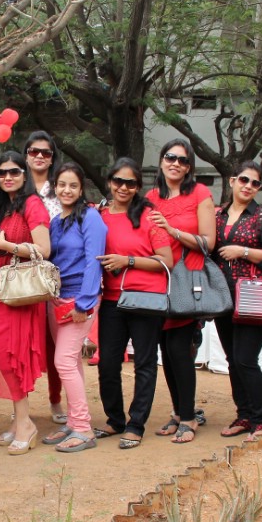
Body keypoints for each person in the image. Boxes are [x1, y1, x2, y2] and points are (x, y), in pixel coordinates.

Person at [95, 158, 174, 449]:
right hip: (112, 300)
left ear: (138, 186)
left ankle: (136, 423)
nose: (123, 187)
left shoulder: (149, 216)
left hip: (146, 299)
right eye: (118, 181)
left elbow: (167, 261)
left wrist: (128, 261)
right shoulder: (99, 215)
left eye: (130, 183)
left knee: (144, 363)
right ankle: (115, 419)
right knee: (107, 364)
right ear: (109, 182)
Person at [146, 139, 217, 441]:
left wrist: (173, 231)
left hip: (188, 280)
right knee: (164, 349)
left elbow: (208, 242)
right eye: (170, 157)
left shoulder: (200, 194)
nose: (175, 163)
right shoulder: (150, 196)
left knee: (180, 350)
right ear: (161, 161)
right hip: (158, 281)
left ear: (189, 168)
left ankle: (189, 417)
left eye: (183, 160)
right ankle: (178, 412)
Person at [0, 151, 53, 454]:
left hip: (21, 294)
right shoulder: (4, 207)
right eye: (2, 173)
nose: (8, 177)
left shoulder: (32, 204)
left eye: (14, 171)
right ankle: (18, 420)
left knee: (14, 356)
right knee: (3, 355)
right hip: (2, 291)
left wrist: (6, 245)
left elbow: (44, 248)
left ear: (25, 174)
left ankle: (26, 424)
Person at [213, 162, 262, 442]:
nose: (249, 186)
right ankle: (243, 415)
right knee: (232, 359)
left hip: (253, 296)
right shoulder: (218, 216)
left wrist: (242, 251)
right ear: (232, 181)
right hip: (223, 296)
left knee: (245, 358)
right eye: (244, 180)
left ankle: (260, 421)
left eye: (256, 183)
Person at [42, 162, 106, 452]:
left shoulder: (90, 218)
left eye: (73, 185)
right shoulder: (57, 222)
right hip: (56, 300)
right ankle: (75, 421)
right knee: (71, 363)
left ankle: (83, 429)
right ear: (55, 187)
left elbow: (95, 261)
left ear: (81, 189)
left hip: (78, 299)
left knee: (64, 362)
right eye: (62, 185)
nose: (66, 190)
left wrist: (84, 304)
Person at [22, 130, 66, 424]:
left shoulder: (60, 191)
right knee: (21, 343)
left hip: (54, 276)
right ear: (25, 154)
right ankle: (20, 409)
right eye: (34, 151)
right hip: (18, 277)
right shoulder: (13, 187)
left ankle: (55, 400)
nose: (39, 156)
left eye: (46, 152)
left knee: (55, 345)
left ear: (52, 158)